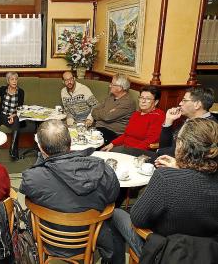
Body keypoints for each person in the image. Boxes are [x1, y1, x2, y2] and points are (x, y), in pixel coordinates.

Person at [110, 118, 218, 264]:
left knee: (115, 213)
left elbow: (138, 218)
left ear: (181, 145)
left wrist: (175, 172)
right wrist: (181, 168)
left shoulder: (166, 177)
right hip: (208, 253)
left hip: (164, 253)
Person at [20, 119, 119, 263]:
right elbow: (112, 198)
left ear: (41, 148)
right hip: (89, 239)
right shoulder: (102, 169)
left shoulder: (33, 178)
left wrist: (41, 157)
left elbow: (30, 195)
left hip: (47, 238)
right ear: (70, 142)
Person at [101, 85, 165, 156]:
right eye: (141, 97)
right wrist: (112, 144)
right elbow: (126, 135)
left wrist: (131, 152)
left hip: (138, 153)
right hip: (124, 148)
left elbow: (150, 141)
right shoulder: (136, 114)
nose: (143, 101)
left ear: (155, 102)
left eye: (148, 99)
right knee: (100, 152)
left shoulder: (158, 115)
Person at [159, 86, 217, 156]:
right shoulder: (189, 120)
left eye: (184, 100)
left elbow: (191, 156)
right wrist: (168, 121)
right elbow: (165, 146)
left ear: (197, 104)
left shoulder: (209, 126)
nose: (180, 103)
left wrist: (159, 152)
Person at [0, 72, 24, 160]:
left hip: (14, 115)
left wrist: (13, 116)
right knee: (16, 123)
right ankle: (14, 152)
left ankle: (12, 150)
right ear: (8, 81)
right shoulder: (3, 89)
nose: (14, 81)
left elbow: (20, 108)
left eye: (16, 79)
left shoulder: (21, 92)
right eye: (12, 79)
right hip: (3, 115)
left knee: (16, 121)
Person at [90, 73, 136, 144]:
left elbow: (107, 117)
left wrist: (105, 113)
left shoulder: (128, 102)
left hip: (113, 133)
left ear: (120, 88)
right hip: (98, 129)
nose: (109, 85)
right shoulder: (111, 96)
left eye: (112, 84)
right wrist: (106, 113)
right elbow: (94, 111)